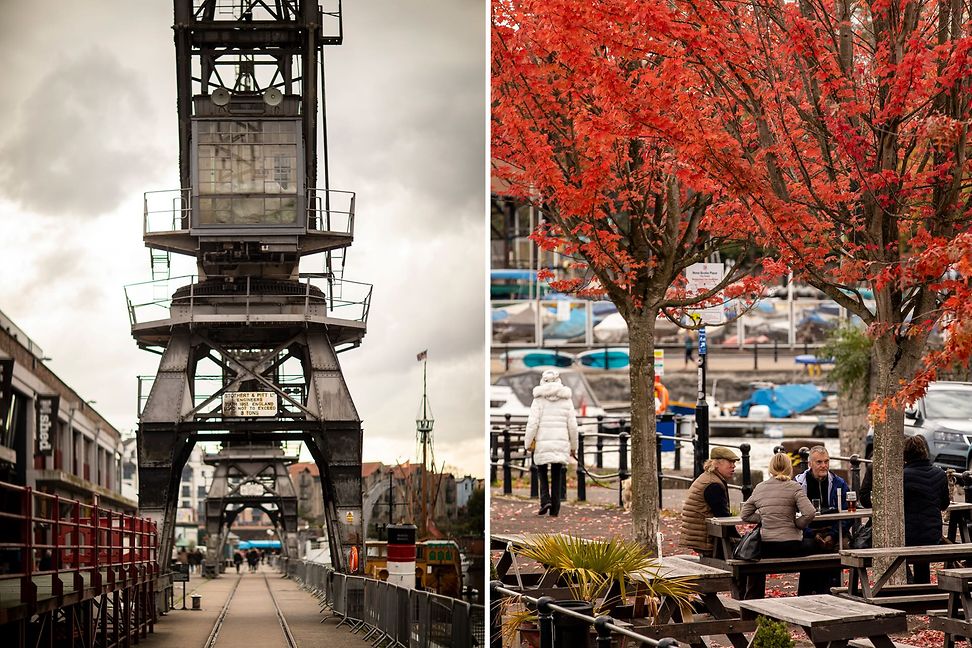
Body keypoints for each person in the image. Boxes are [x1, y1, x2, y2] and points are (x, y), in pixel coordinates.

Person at [739, 452, 816, 597]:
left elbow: (745, 514)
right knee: (817, 548)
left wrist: (765, 518)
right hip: (792, 546)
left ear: (770, 468)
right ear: (789, 468)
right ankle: (807, 594)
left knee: (754, 562)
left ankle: (753, 600)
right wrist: (797, 524)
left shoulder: (760, 487)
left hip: (767, 546)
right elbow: (810, 513)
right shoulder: (794, 487)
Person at [795, 445, 849, 594]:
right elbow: (793, 514)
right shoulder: (798, 484)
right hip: (809, 530)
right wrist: (811, 533)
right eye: (819, 462)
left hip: (834, 528)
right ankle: (808, 593)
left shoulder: (839, 483)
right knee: (809, 547)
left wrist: (832, 533)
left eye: (826, 461)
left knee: (843, 547)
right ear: (810, 464)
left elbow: (847, 514)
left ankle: (836, 591)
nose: (824, 465)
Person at [523, 369, 578, 517]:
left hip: (542, 442)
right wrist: (574, 446)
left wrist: (527, 443)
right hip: (560, 443)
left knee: (541, 471)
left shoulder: (538, 400)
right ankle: (555, 508)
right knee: (557, 475)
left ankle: (545, 499)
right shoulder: (566, 399)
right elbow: (572, 425)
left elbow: (532, 424)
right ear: (558, 380)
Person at [901, 435, 950, 582]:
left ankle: (913, 586)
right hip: (933, 534)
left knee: (897, 551)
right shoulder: (940, 474)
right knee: (921, 558)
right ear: (924, 451)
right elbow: (944, 505)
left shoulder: (902, 476)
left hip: (908, 536)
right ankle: (922, 586)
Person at [679, 447, 739, 556]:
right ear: (716, 464)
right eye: (730, 462)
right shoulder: (713, 485)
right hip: (706, 539)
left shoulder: (708, 477)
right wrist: (738, 539)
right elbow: (723, 517)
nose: (733, 466)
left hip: (700, 536)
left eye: (734, 462)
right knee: (751, 557)